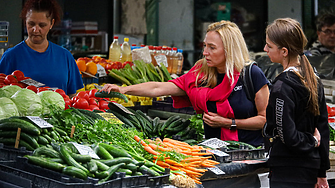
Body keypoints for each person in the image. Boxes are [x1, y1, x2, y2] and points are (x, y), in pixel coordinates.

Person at [102, 20, 270, 147]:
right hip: (214, 152)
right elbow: (158, 87)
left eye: (212, 47)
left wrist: (228, 123)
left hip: (249, 152)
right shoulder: (201, 74)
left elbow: (265, 119)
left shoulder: (251, 74)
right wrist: (123, 89)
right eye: (205, 46)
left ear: (229, 49)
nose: (205, 52)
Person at [263, 18, 330, 188]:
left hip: (287, 171)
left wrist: (313, 142)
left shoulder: (282, 86)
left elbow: (288, 136)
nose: (265, 49)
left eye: (269, 46)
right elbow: (323, 127)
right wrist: (322, 172)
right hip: (310, 168)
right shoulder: (314, 79)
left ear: (284, 51)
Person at [0, 0, 83, 97]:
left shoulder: (65, 56)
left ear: (51, 24)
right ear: (25, 22)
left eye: (42, 25)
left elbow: (73, 97)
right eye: (31, 24)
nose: (36, 29)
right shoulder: (11, 56)